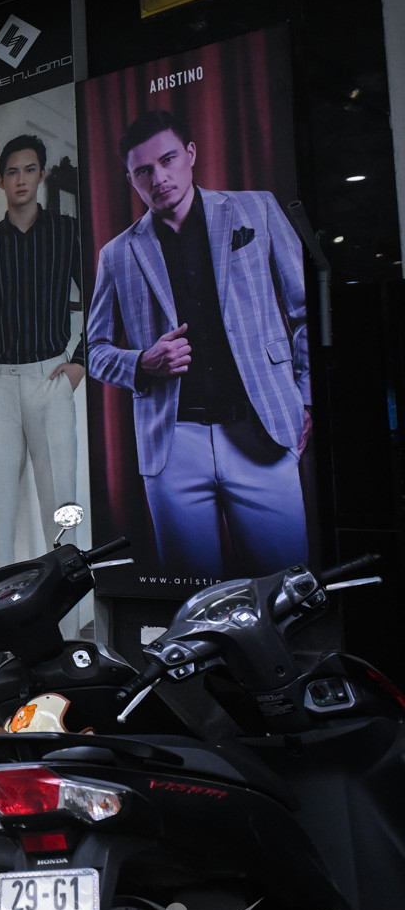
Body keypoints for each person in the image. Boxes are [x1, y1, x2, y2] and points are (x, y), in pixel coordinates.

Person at [86, 108, 310, 579]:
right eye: (143, 171)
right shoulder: (117, 253)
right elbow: (95, 351)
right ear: (131, 179)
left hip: (262, 429)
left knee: (286, 591)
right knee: (191, 598)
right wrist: (142, 362)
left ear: (190, 153)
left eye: (167, 160)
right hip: (173, 447)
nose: (159, 178)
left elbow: (304, 311)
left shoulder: (257, 210)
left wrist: (305, 399)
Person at [0, 134, 87, 568]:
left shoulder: (68, 234)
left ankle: (68, 599)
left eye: (29, 170)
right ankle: (0, 602)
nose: (21, 179)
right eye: (12, 172)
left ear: (42, 175)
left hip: (50, 378)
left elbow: (103, 300)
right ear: (0, 181)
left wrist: (80, 362)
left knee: (62, 506)